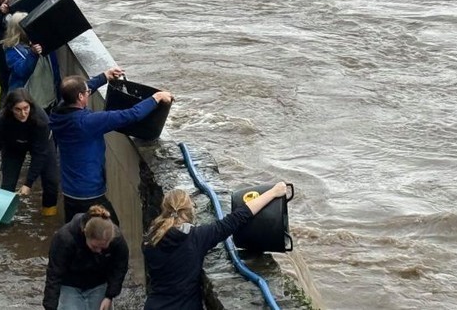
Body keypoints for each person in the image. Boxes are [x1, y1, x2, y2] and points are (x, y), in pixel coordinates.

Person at [49, 69, 174, 225]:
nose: (89, 92)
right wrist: (156, 98)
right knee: (112, 231)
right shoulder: (89, 122)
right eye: (87, 92)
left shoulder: (57, 113)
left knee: (76, 233)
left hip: (69, 191)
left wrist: (104, 77)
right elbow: (131, 115)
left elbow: (78, 89)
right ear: (80, 97)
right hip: (90, 193)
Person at [142, 183, 288, 309]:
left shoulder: (150, 239)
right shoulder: (197, 238)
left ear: (164, 209)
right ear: (189, 210)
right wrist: (273, 192)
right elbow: (237, 217)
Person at [0, 89, 59, 216]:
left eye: (26, 108)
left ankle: (48, 215)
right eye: (18, 110)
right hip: (13, 145)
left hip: (40, 144)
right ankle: (5, 218)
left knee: (51, 181)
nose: (23, 113)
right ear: (10, 109)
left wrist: (28, 184)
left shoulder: (41, 120)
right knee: (8, 185)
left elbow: (39, 155)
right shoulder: (1, 121)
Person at [44, 205, 128, 310]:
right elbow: (54, 274)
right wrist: (50, 306)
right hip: (70, 284)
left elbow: (120, 268)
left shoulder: (117, 240)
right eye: (95, 247)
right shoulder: (64, 239)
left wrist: (109, 296)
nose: (99, 251)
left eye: (103, 248)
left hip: (99, 283)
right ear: (85, 234)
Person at [2, 12, 61, 112]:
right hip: (29, 104)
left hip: (50, 98)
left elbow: (54, 68)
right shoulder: (12, 50)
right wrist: (33, 54)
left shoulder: (42, 41)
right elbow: (21, 72)